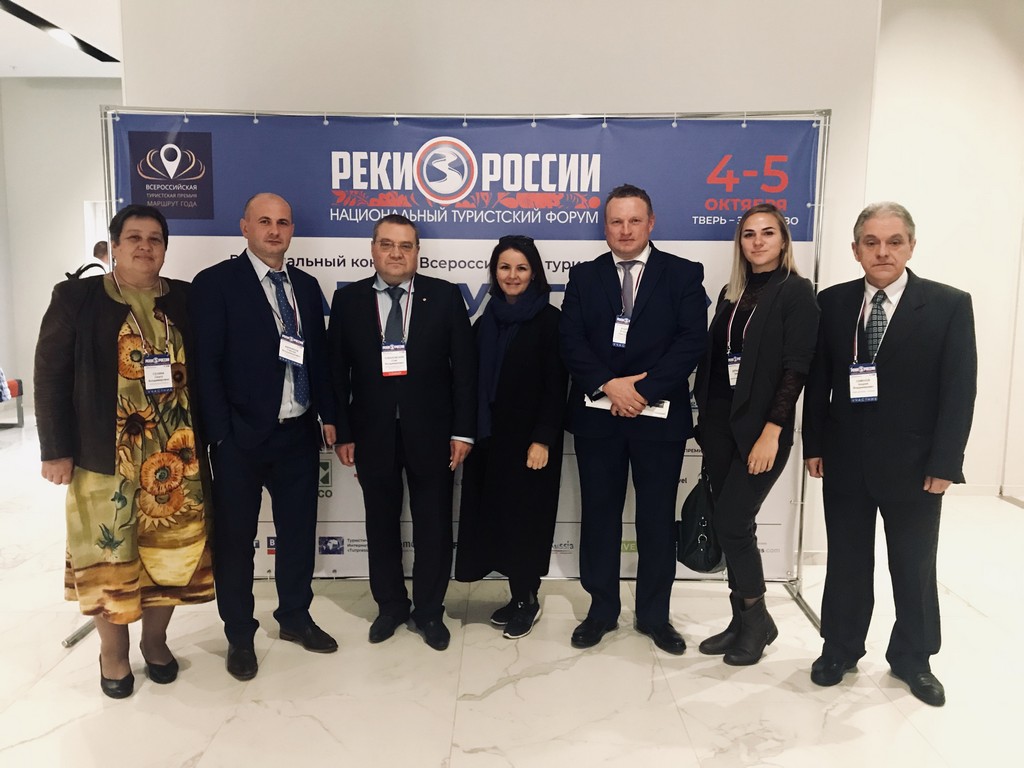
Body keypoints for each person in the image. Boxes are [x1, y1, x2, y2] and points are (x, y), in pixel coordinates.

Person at [803, 202, 977, 707]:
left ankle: (913, 658)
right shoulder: (833, 303)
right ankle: (840, 648)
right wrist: (815, 444)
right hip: (845, 461)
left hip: (916, 466)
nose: (883, 251)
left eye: (894, 241)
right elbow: (818, 381)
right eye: (872, 242)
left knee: (914, 565)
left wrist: (945, 462)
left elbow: (959, 389)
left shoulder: (948, 304)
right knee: (847, 562)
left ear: (911, 246)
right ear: (855, 250)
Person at [35, 205, 213, 698]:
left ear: (165, 248)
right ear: (114, 245)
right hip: (104, 458)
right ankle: (112, 652)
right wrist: (55, 449)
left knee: (170, 555)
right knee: (109, 558)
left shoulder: (185, 299)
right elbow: (49, 376)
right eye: (134, 237)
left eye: (155, 238)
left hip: (177, 458)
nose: (145, 246)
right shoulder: (77, 298)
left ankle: (155, 642)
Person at [190, 193, 338, 681]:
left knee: (298, 534)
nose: (275, 231)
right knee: (236, 541)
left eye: (283, 223)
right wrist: (221, 435)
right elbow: (206, 365)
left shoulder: (305, 286)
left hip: (297, 434)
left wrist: (328, 414)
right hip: (240, 440)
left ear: (292, 229)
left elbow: (318, 359)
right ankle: (239, 634)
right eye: (265, 222)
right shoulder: (216, 284)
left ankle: (294, 616)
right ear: (245, 227)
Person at [560, 184, 708, 654]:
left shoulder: (683, 273)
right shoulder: (584, 276)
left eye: (634, 221)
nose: (625, 230)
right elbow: (570, 340)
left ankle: (654, 616)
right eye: (616, 221)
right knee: (599, 516)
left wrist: (641, 391)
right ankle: (601, 611)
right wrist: (610, 385)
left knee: (656, 520)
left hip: (658, 418)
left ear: (651, 223)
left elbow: (691, 340)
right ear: (605, 227)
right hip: (599, 418)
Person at [329, 213, 476, 651]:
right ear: (373, 249)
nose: (396, 253)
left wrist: (463, 432)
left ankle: (429, 610)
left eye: (406, 246)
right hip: (371, 433)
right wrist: (343, 432)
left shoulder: (444, 296)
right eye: (387, 244)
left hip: (433, 433)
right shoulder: (348, 300)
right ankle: (391, 606)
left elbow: (465, 371)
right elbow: (337, 372)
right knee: (380, 523)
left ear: (417, 252)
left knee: (434, 524)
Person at [693, 204, 819, 665]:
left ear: (783, 241)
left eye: (768, 233)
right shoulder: (732, 292)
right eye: (749, 234)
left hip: (760, 430)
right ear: (740, 243)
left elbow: (796, 368)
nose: (758, 241)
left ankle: (757, 621)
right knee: (733, 526)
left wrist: (772, 431)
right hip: (720, 427)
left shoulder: (797, 292)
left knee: (733, 522)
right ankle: (743, 621)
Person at [454, 235, 568, 639]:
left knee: (527, 523)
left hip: (530, 444)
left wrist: (543, 439)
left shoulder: (551, 321)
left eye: (521, 268)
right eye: (505, 267)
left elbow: (556, 386)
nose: (513, 275)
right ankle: (515, 596)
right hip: (490, 441)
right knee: (498, 522)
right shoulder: (485, 321)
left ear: (534, 273)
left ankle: (528, 600)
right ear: (494, 272)